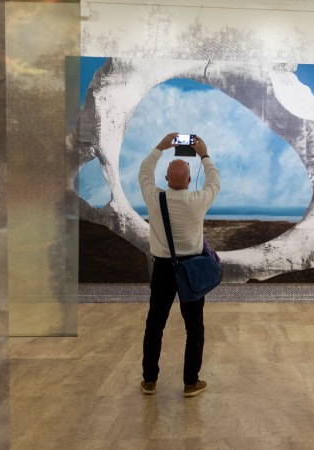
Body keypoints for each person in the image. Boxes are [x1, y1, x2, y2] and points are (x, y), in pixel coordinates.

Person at [137, 132, 219, 397]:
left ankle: (149, 381)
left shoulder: (154, 198)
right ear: (189, 181)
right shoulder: (198, 200)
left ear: (166, 179)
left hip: (162, 269)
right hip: (191, 270)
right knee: (194, 327)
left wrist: (161, 146)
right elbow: (214, 181)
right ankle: (190, 383)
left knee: (155, 325)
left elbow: (144, 172)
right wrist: (204, 154)